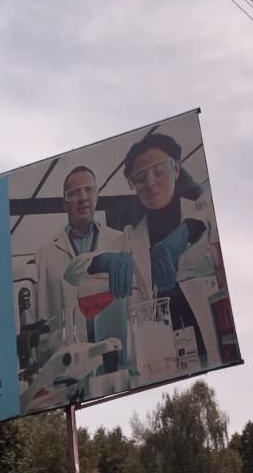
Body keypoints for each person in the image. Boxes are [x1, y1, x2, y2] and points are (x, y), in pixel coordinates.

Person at [65, 133, 215, 371]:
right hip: (159, 358)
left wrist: (189, 229)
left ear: (176, 169)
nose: (151, 183)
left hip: (211, 346)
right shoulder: (129, 238)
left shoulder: (204, 214)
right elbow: (72, 273)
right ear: (134, 185)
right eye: (141, 178)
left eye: (159, 171)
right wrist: (102, 261)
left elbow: (211, 217)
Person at [34, 165, 128, 364]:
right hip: (70, 360)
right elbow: (43, 315)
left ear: (97, 195)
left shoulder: (120, 241)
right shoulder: (45, 255)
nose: (83, 197)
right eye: (74, 193)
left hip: (115, 353)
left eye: (88, 190)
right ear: (64, 203)